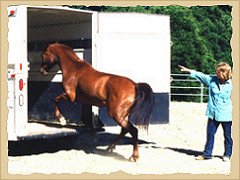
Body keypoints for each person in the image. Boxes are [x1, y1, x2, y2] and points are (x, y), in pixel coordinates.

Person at [178, 62, 233, 162]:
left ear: (224, 73)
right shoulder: (212, 81)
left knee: (228, 135)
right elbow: (201, 76)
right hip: (213, 113)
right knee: (210, 134)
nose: (216, 73)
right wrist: (189, 71)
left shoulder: (232, 85)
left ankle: (227, 154)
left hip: (227, 114)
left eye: (219, 71)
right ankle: (207, 154)